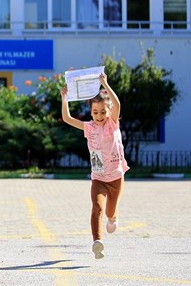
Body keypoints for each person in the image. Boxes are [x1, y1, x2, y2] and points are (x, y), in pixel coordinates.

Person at [60, 73, 129, 260]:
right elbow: (67, 118)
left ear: (109, 112)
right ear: (91, 112)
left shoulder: (112, 124)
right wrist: (64, 97)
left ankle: (113, 217)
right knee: (96, 208)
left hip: (115, 177)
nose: (99, 116)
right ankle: (97, 241)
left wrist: (104, 83)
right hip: (98, 178)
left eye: (103, 112)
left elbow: (118, 105)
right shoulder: (89, 127)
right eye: (95, 112)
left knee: (109, 212)